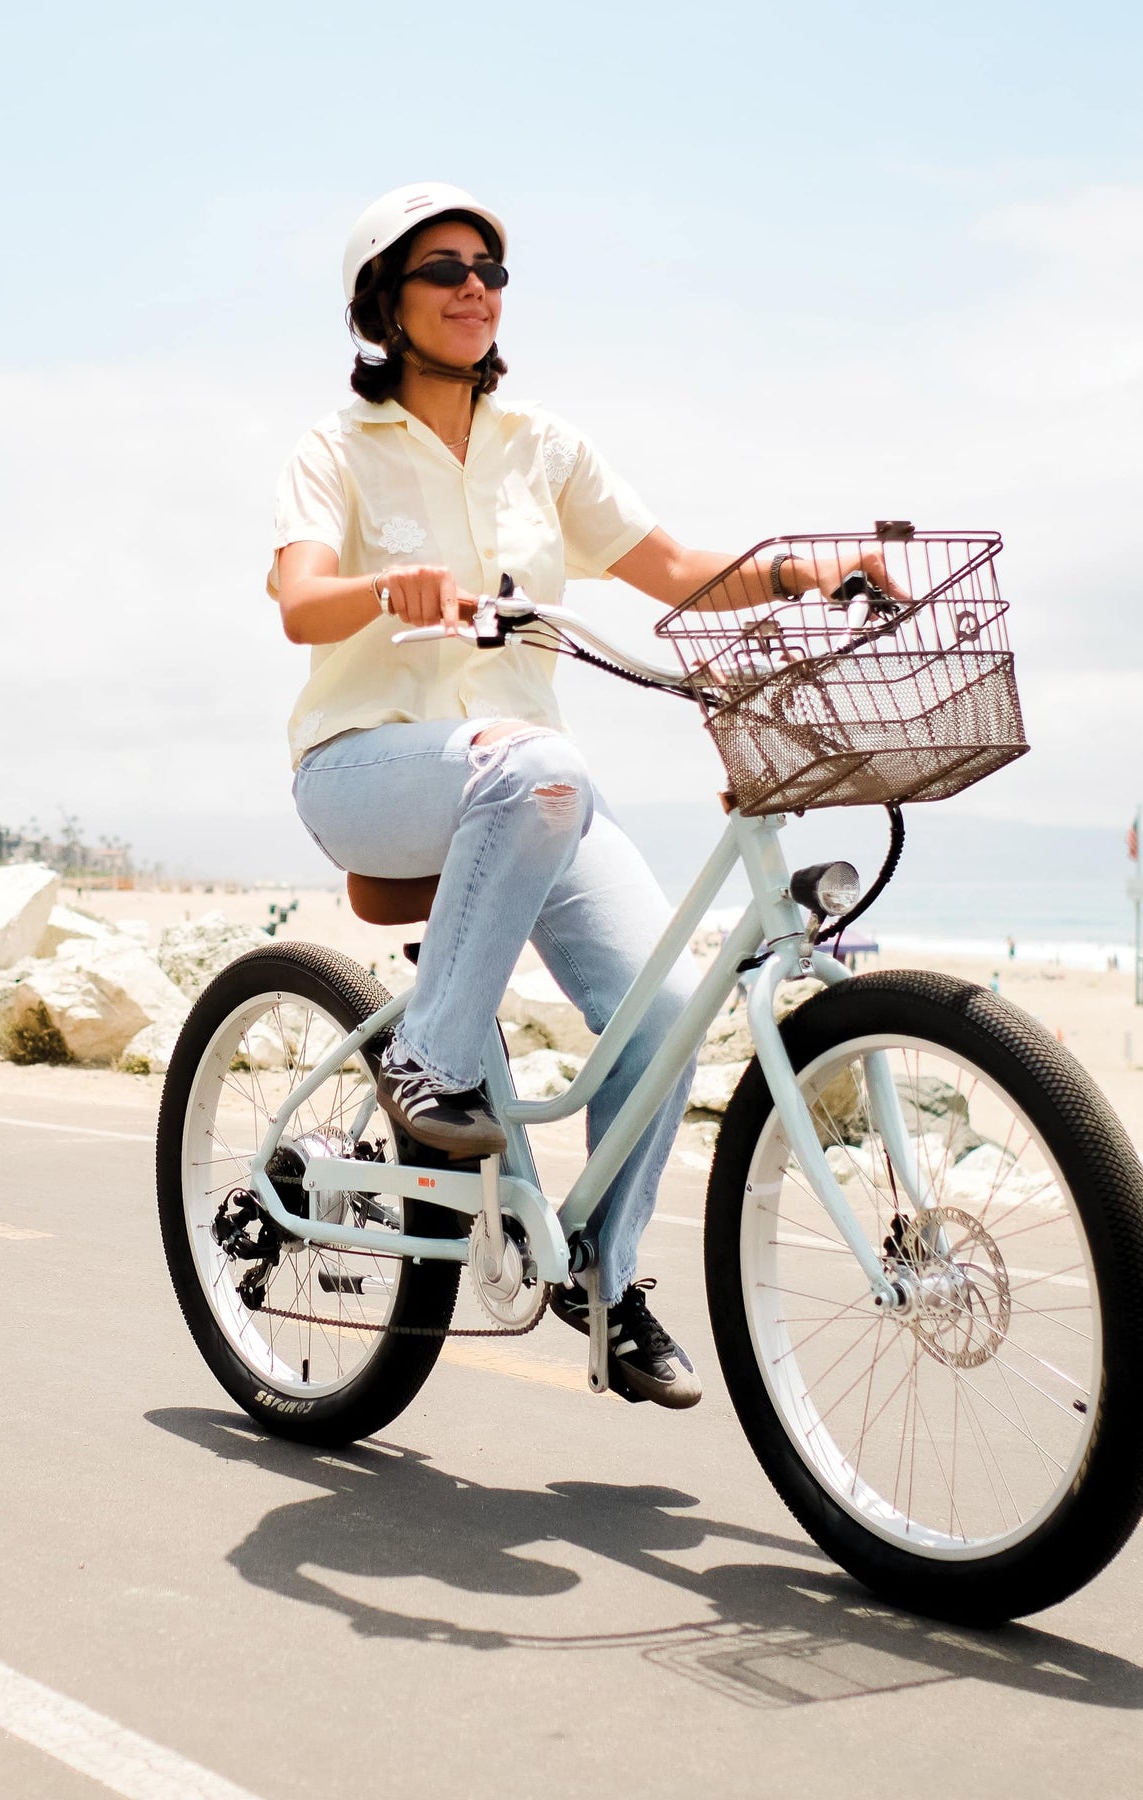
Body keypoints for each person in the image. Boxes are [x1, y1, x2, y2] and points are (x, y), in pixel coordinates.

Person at [268, 184, 882, 1408]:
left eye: (490, 268)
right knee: (544, 765)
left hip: (528, 789)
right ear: (383, 303)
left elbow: (675, 568)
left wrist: (805, 572)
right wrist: (387, 589)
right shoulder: (337, 449)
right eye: (443, 268)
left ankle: (603, 1276)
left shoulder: (543, 448)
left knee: (665, 1012)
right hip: (368, 767)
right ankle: (430, 1064)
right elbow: (298, 601)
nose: (474, 287)